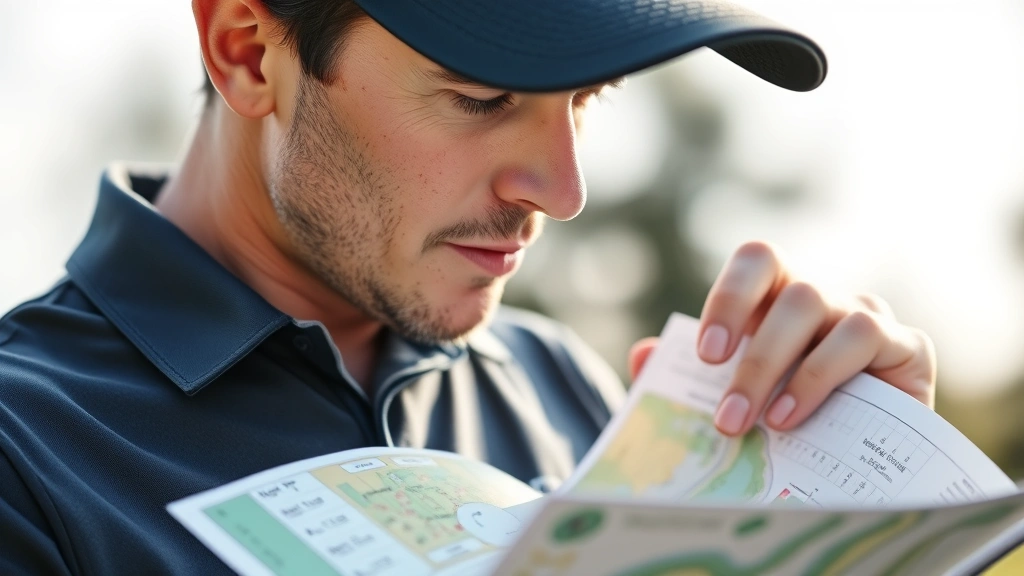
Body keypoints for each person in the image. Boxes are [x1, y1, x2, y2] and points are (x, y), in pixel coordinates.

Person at [0, 0, 937, 574]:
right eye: (482, 97)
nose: (563, 194)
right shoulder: (26, 458)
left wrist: (861, 511)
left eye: (586, 99)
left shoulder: (567, 394)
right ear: (248, 52)